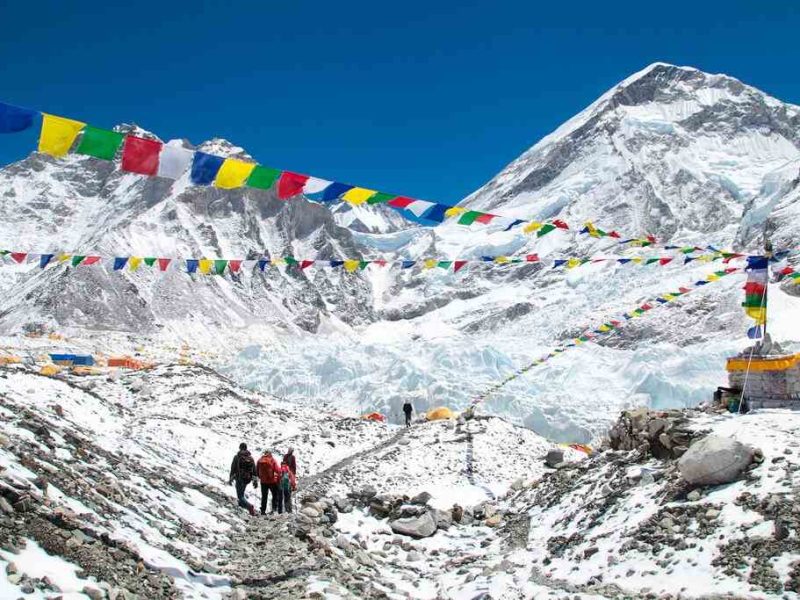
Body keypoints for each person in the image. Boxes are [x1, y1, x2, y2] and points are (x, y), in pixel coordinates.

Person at [228, 443, 257, 516]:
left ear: (240, 448)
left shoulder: (237, 457)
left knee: (240, 496)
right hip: (247, 479)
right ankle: (242, 507)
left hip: (239, 478)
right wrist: (255, 480)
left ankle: (249, 506)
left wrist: (231, 478)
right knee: (242, 493)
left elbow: (233, 468)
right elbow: (254, 469)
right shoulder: (250, 458)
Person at [256, 449, 281, 515]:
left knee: (264, 496)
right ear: (270, 453)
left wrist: (260, 477)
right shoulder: (272, 460)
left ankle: (263, 511)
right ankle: (274, 509)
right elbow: (277, 470)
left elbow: (257, 470)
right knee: (275, 495)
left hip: (263, 482)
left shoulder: (260, 460)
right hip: (272, 481)